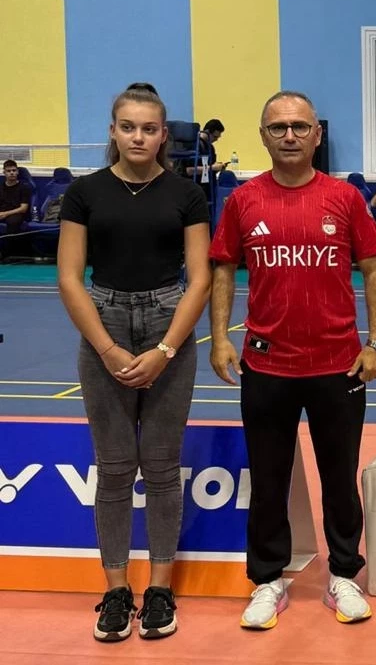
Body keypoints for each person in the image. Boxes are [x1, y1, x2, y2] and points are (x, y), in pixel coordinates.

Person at [208, 91, 376, 629]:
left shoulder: (345, 198)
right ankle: (268, 580)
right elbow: (223, 269)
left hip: (339, 365)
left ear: (317, 135)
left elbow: (374, 268)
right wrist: (219, 339)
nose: (289, 136)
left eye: (300, 127)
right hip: (266, 367)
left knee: (339, 477)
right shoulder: (242, 201)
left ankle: (343, 575)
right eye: (278, 127)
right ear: (263, 136)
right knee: (268, 480)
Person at [56, 85, 211, 641]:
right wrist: (109, 349)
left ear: (163, 135)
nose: (138, 137)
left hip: (169, 322)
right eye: (128, 127)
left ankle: (160, 590)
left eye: (148, 128)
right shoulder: (85, 193)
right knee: (116, 467)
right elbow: (69, 278)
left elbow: (200, 278)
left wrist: (166, 349)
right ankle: (117, 591)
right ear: (113, 131)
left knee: (163, 467)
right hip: (106, 324)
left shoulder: (187, 195)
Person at [0, 159, 33, 236]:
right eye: (8, 171)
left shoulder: (24, 187)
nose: (12, 173)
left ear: (17, 172)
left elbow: (23, 208)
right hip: (2, 212)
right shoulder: (1, 187)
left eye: (14, 170)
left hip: (16, 213)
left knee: (13, 222)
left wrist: (5, 214)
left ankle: (10, 244)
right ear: (4, 173)